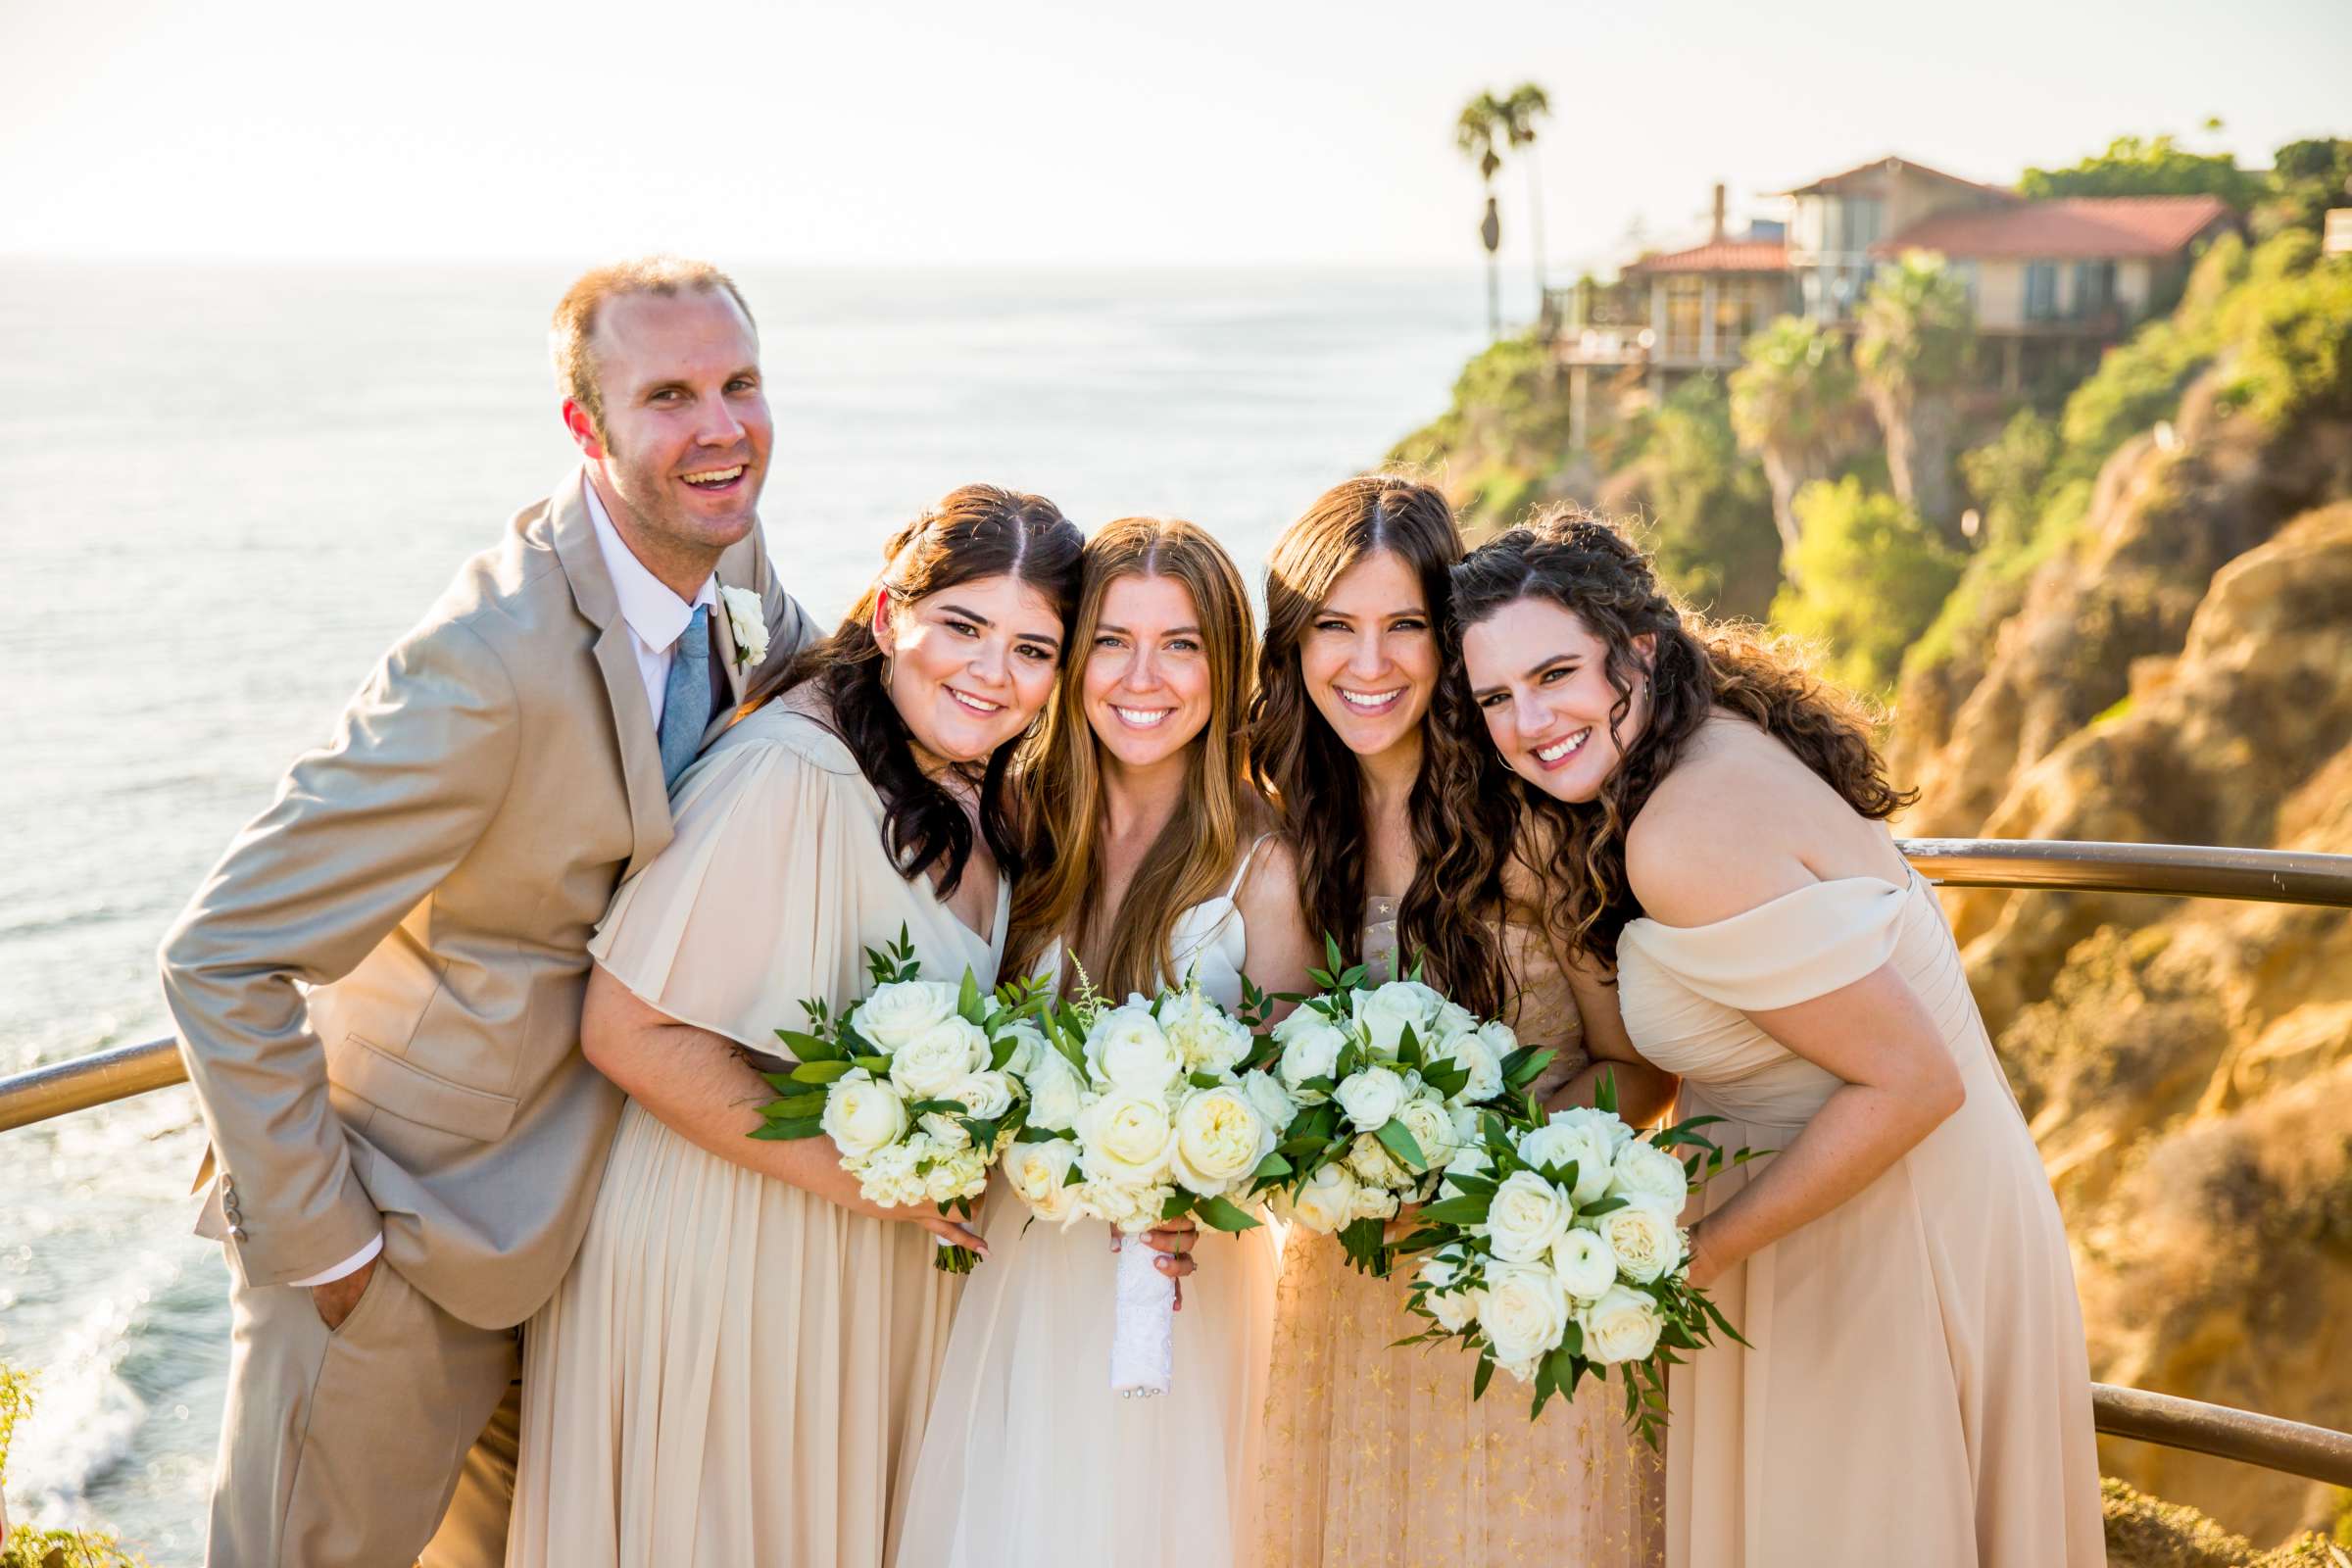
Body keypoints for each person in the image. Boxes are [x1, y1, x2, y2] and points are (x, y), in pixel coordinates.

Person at [156, 257, 808, 1568]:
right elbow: (219, 955)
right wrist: (331, 1256)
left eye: (739, 384)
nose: (721, 428)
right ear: (587, 426)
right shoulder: (487, 664)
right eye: (668, 396)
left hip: (578, 1248)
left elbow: (818, 699)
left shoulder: (730, 559)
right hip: (403, 1238)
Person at [1451, 510, 2105, 1566]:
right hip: (1861, 1204)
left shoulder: (1681, 833)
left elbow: (1910, 1082)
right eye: (1495, 697)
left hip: (1875, 1231)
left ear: (1641, 652)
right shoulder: (1701, 749)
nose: (1530, 720)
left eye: (1556, 673)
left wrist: (1685, 1261)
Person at [508, 484, 1084, 1568]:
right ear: (886, 612)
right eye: (961, 626)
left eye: (1031, 648)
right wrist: (879, 1179)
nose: (989, 673)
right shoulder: (790, 769)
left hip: (864, 1257)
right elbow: (627, 1029)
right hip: (737, 1254)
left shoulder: (965, 780)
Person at [1249, 475, 1671, 1566]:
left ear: (1450, 643)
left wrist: (1487, 1186)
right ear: (1294, 645)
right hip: (1341, 1298)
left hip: (1519, 1294)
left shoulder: (1534, 818)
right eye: (1335, 626)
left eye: (1404, 627)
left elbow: (1638, 1070)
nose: (1369, 662)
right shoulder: (1284, 818)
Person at [897, 516, 1304, 1568]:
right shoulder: (1022, 824)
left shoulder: (1263, 860)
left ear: (1227, 668)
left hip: (1181, 1283)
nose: (1144, 677)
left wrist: (1209, 1197)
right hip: (1021, 1273)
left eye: (1182, 644)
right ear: (1075, 664)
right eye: (1114, 641)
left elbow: (1297, 1098)